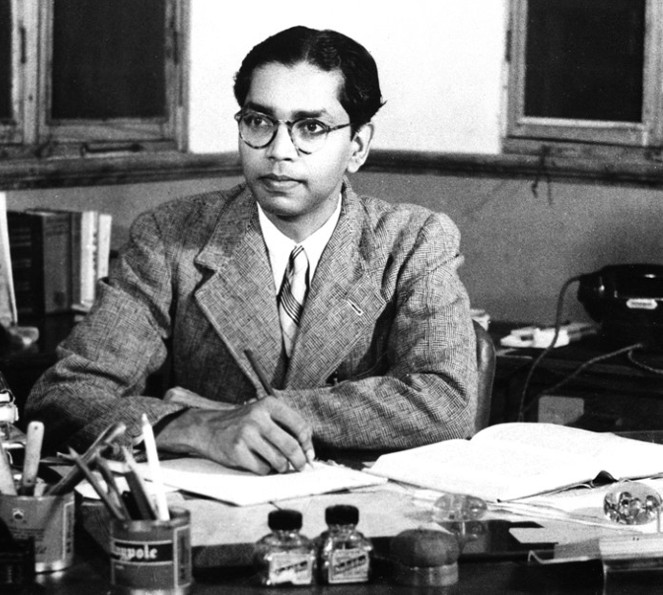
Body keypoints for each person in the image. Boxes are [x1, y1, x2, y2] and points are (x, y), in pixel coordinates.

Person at [24, 25, 477, 474]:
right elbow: (65, 396)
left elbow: (446, 401)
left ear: (356, 146)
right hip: (210, 520)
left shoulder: (413, 240)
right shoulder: (169, 237)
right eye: (259, 122)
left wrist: (258, 413)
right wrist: (195, 426)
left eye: (311, 127)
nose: (279, 151)